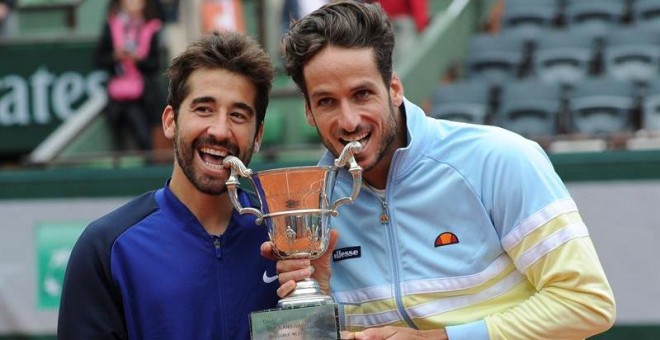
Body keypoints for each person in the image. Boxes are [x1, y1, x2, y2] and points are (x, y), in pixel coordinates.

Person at [262, 1, 616, 339]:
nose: (349, 120)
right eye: (326, 102)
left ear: (394, 89)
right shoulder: (310, 204)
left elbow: (586, 302)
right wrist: (319, 294)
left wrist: (444, 338)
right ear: (308, 112)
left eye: (362, 94)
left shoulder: (499, 159)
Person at [59, 31, 279, 339]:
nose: (219, 130)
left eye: (238, 115)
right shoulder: (108, 246)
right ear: (170, 121)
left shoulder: (284, 231)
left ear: (257, 136)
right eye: (203, 109)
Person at [95, 0, 166, 153]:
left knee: (145, 139)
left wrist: (139, 60)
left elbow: (155, 64)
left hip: (144, 96)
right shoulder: (112, 26)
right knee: (119, 143)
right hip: (118, 95)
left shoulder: (151, 27)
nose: (133, 4)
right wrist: (115, 56)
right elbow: (99, 59)